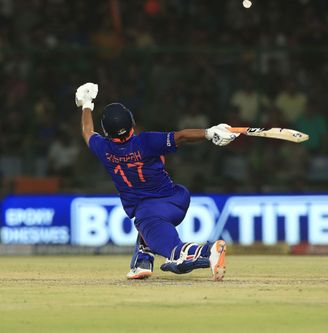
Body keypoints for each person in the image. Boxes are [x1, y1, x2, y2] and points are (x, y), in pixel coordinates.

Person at [75, 82, 239, 281]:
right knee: (147, 226)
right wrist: (209, 133)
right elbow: (182, 137)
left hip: (149, 212)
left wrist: (86, 104)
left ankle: (209, 250)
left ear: (107, 132)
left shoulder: (103, 149)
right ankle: (142, 262)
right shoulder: (146, 141)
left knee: (174, 254)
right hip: (176, 199)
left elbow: (87, 132)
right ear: (132, 124)